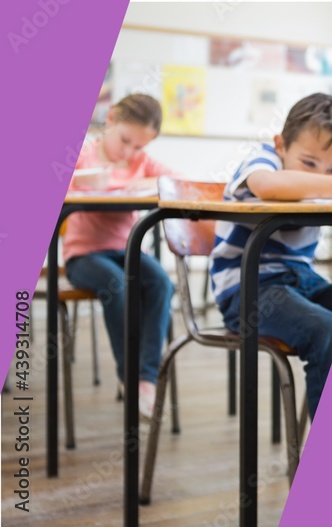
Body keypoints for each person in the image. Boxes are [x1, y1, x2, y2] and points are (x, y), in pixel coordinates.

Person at [210, 93, 332, 420]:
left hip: (303, 281)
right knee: (325, 329)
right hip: (247, 289)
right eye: (308, 163)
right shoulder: (263, 159)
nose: (323, 174)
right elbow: (268, 185)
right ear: (281, 144)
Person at [65, 94, 175, 419]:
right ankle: (127, 375)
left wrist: (139, 182)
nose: (129, 152)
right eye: (126, 140)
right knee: (116, 285)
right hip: (84, 256)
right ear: (110, 119)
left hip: (125, 251)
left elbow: (176, 180)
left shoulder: (141, 163)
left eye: (140, 147)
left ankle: (146, 379)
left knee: (160, 283)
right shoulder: (82, 154)